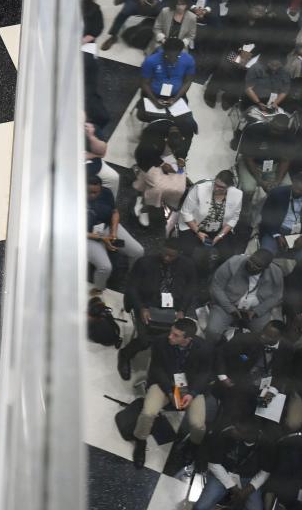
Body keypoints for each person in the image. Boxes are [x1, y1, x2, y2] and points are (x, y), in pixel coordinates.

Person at [131, 318, 212, 469]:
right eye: (171, 332)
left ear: (187, 339)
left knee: (198, 425)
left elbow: (205, 373)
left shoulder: (204, 348)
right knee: (148, 413)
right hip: (165, 382)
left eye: (176, 335)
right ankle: (140, 441)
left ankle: (192, 445)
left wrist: (192, 393)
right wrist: (169, 391)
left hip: (190, 386)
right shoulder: (160, 342)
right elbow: (156, 369)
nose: (170, 336)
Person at [116, 241, 197, 380]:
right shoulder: (144, 263)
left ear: (178, 255)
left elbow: (190, 289)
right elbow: (132, 287)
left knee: (172, 339)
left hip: (172, 308)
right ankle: (125, 355)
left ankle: (161, 366)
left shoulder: (187, 265)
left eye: (171, 256)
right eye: (164, 254)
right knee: (145, 339)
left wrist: (182, 310)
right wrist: (141, 307)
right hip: (147, 304)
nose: (166, 258)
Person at [213, 320, 299, 428]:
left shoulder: (287, 348)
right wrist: (223, 377)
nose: (263, 336)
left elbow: (283, 373)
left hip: (268, 387)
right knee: (235, 417)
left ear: (279, 338)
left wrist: (272, 391)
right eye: (264, 332)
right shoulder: (246, 339)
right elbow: (221, 353)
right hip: (241, 384)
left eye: (269, 336)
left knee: (269, 422)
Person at [193, 421, 272, 510]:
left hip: (249, 480)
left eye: (239, 431)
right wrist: (234, 488)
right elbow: (213, 464)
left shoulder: (266, 443)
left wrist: (246, 492)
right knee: (200, 507)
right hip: (223, 474)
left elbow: (265, 472)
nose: (234, 431)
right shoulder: (225, 434)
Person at [207, 250, 284, 341]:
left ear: (266, 267)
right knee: (212, 331)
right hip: (227, 305)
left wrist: (257, 311)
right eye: (251, 260)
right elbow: (216, 287)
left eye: (257, 266)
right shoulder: (233, 263)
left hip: (256, 310)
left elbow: (277, 296)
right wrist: (230, 309)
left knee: (265, 335)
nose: (251, 266)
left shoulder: (276, 273)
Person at [177, 171, 243, 276]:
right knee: (189, 252)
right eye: (215, 184)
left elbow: (234, 218)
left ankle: (216, 274)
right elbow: (186, 213)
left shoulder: (237, 195)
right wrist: (198, 233)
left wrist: (220, 236)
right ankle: (191, 274)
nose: (216, 188)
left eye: (221, 187)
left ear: (229, 188)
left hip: (219, 229)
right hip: (194, 226)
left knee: (228, 254)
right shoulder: (199, 189)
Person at [86, 176, 144, 296]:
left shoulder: (106, 193)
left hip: (107, 229)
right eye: (88, 192)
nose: (91, 195)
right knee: (105, 267)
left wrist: (113, 232)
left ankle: (132, 276)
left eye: (94, 192)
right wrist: (102, 239)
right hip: (88, 237)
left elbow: (115, 212)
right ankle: (98, 288)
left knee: (138, 251)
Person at [136, 39, 197, 137]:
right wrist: (155, 101)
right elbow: (144, 83)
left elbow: (187, 81)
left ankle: (168, 133)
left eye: (176, 56)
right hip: (153, 94)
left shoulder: (188, 60)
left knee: (185, 123)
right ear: (163, 51)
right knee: (143, 115)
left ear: (181, 52)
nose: (173, 59)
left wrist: (175, 99)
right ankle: (154, 133)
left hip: (176, 95)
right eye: (169, 56)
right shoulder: (150, 61)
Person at [132, 122, 189, 226]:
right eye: (173, 148)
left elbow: (184, 147)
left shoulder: (184, 130)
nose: (174, 150)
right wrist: (161, 164)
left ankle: (152, 198)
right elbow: (144, 153)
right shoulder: (152, 133)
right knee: (156, 186)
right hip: (147, 159)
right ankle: (144, 207)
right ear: (167, 139)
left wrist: (180, 158)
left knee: (178, 184)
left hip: (164, 157)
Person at [258, 173, 302, 259]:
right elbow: (266, 215)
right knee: (264, 257)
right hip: (276, 230)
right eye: (295, 188)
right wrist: (276, 235)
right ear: (293, 183)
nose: (296, 192)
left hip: (299, 234)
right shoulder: (277, 193)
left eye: (301, 191)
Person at [236, 114, 295, 196]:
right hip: (252, 163)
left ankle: (270, 205)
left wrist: (277, 181)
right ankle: (244, 207)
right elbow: (248, 158)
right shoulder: (254, 130)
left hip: (274, 165)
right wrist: (260, 181)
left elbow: (285, 160)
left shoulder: (289, 136)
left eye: (278, 130)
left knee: (286, 187)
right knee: (248, 189)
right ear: (270, 122)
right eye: (273, 127)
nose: (274, 131)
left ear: (284, 130)